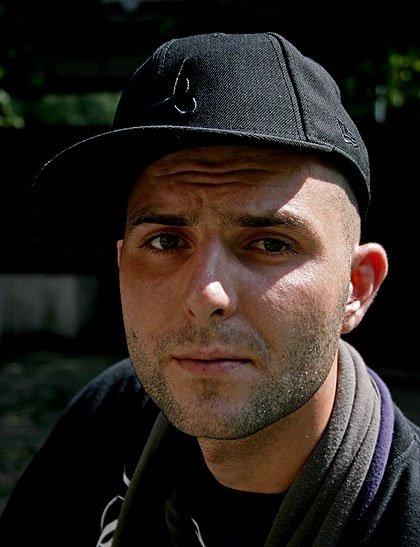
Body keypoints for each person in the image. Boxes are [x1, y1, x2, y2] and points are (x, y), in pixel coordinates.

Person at [0, 31, 419, 547]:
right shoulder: (112, 415)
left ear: (356, 287)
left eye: (270, 244)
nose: (206, 293)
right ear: (121, 265)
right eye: (166, 240)